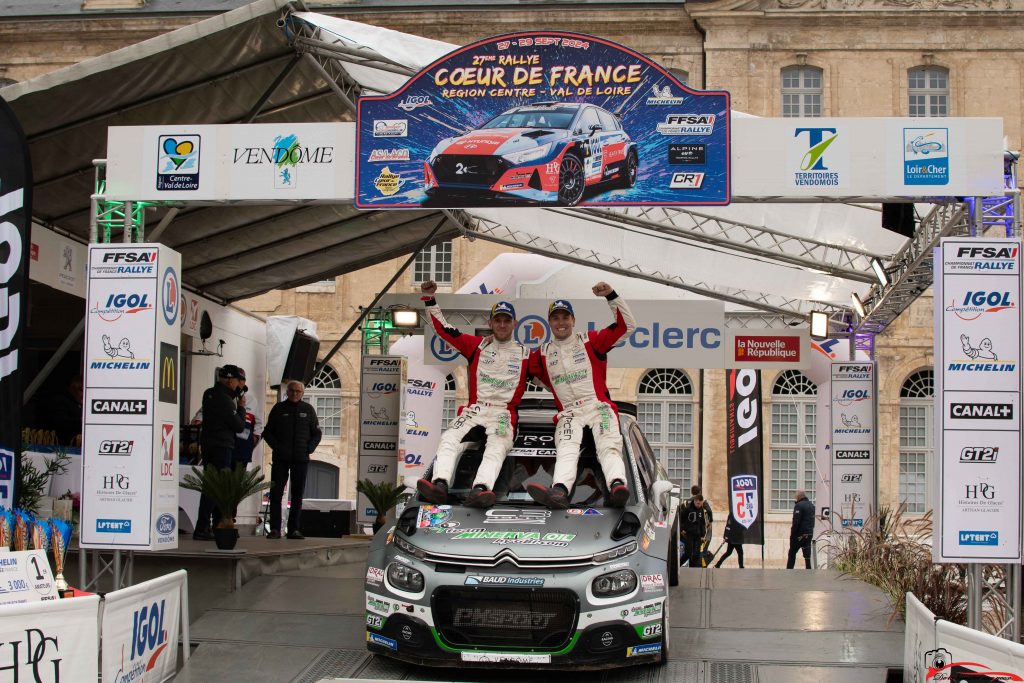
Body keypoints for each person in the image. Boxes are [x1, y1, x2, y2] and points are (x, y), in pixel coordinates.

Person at [416, 280, 530, 508]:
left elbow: (554, 377)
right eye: (498, 320)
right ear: (491, 323)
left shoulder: (527, 354)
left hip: (503, 413)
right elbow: (444, 330)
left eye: (507, 320)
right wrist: (430, 299)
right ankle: (440, 485)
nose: (502, 324)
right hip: (476, 409)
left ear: (515, 324)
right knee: (449, 437)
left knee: (497, 446)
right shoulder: (477, 345)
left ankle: (481, 489)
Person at [525, 282, 637, 509]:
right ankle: (559, 492)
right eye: (555, 318)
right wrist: (492, 342)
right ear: (550, 323)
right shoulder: (542, 353)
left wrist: (612, 296)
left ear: (573, 320)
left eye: (565, 317)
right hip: (569, 413)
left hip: (598, 407)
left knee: (609, 446)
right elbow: (519, 368)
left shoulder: (590, 340)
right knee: (566, 448)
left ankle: (617, 486)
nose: (561, 322)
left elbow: (628, 327)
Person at [262, 380, 322, 539]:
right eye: (292, 391)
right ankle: (275, 529)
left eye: (298, 391)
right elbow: (267, 432)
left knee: (297, 495)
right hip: (281, 459)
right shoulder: (278, 409)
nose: (295, 394)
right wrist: (277, 447)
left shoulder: (308, 410)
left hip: (301, 459)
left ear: (302, 393)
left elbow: (317, 433)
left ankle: (294, 529)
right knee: (276, 494)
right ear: (287, 392)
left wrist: (309, 448)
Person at [194, 365, 248, 541]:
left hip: (209, 444)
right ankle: (204, 527)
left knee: (211, 486)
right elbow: (239, 425)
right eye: (237, 382)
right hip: (221, 446)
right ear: (230, 380)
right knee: (214, 488)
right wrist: (241, 407)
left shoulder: (209, 393)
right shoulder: (223, 399)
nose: (237, 386)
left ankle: (210, 525)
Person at [47, 377, 83, 446]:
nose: (84, 394)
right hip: (65, 445)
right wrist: (80, 421)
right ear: (74, 390)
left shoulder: (81, 404)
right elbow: (60, 422)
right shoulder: (62, 402)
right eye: (81, 390)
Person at [787, 489, 815, 569]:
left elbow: (796, 522)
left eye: (796, 497)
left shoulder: (799, 506)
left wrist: (793, 534)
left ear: (799, 497)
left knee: (792, 552)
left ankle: (789, 570)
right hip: (809, 533)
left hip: (799, 535)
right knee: (807, 555)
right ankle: (809, 570)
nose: (795, 499)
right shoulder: (811, 505)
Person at [679, 494, 709, 568]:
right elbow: (681, 519)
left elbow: (702, 523)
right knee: (688, 553)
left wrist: (702, 535)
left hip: (698, 534)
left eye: (701, 504)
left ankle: (693, 569)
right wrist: (682, 529)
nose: (699, 505)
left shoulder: (701, 509)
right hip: (689, 534)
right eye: (698, 503)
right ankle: (678, 565)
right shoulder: (688, 508)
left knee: (697, 554)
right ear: (695, 501)